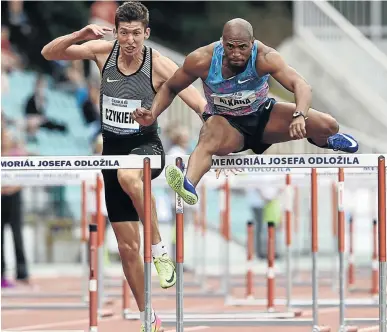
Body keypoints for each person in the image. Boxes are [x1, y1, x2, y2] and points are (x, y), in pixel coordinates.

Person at [41, 2, 206, 331]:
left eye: (136, 34)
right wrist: (80, 34)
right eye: (124, 33)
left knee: (130, 176)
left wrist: (219, 134)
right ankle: (149, 316)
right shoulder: (103, 52)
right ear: (116, 33)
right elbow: (49, 53)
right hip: (112, 154)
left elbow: (197, 101)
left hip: (147, 148)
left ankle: (159, 249)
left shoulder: (158, 65)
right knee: (128, 248)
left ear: (146, 33)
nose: (130, 40)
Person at [132, 18, 359, 206]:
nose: (237, 53)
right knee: (210, 132)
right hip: (228, 126)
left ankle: (323, 140)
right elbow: (171, 86)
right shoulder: (202, 59)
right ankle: (187, 184)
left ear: (253, 43)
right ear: (222, 42)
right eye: (230, 46)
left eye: (243, 47)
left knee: (328, 124)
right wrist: (152, 114)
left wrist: (300, 115)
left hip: (264, 118)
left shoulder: (265, 57)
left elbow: (302, 86)